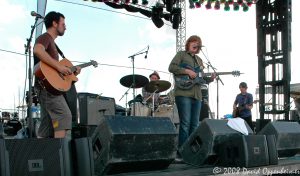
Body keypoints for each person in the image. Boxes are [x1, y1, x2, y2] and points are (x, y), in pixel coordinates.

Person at [33, 11, 81, 138]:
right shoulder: (45, 37)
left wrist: (70, 71)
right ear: (54, 23)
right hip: (47, 89)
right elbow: (37, 50)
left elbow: (54, 71)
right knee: (64, 115)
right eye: (63, 23)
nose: (65, 27)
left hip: (46, 88)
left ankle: (41, 155)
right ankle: (60, 155)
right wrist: (59, 66)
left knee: (47, 125)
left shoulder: (52, 43)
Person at [168, 35, 215, 149]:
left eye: (198, 42)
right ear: (188, 43)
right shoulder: (181, 55)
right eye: (193, 42)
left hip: (197, 95)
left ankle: (190, 150)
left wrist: (210, 79)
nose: (196, 44)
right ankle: (182, 150)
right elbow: (171, 67)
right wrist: (187, 71)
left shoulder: (199, 60)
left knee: (195, 124)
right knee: (185, 124)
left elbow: (200, 79)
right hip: (183, 93)